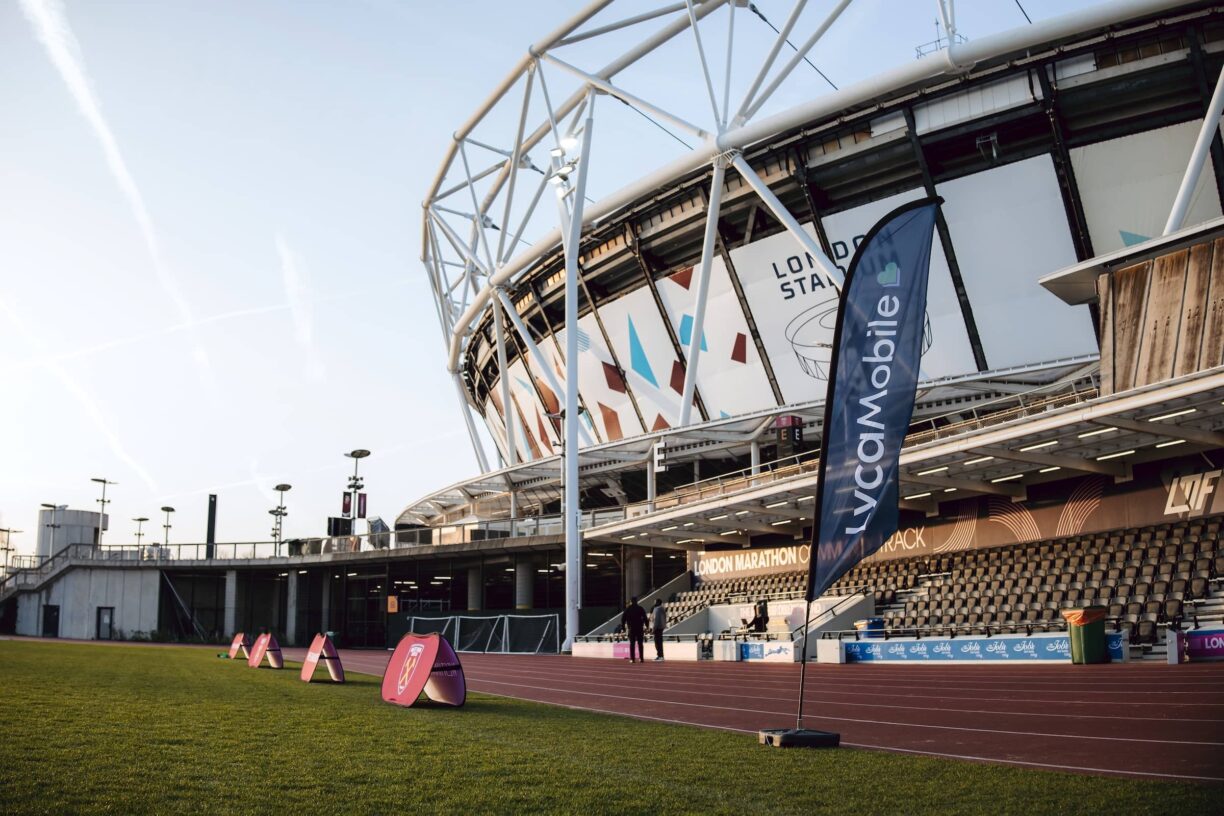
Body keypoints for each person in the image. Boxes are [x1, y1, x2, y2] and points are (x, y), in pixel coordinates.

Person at [621, 596, 648, 663]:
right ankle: (641, 658)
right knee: (640, 644)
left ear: (631, 601)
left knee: (632, 644)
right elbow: (645, 618)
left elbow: (623, 619)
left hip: (631, 628)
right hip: (639, 628)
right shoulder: (640, 608)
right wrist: (647, 626)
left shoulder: (628, 609)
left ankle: (632, 659)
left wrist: (623, 628)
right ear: (636, 601)